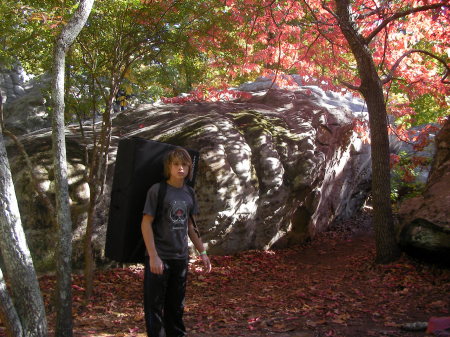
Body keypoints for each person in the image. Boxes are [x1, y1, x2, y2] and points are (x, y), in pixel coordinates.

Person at [141, 147, 211, 337]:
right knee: (154, 307)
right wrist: (154, 256)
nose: (181, 168)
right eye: (176, 164)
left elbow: (190, 226)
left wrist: (202, 253)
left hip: (180, 258)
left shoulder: (189, 192)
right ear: (169, 167)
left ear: (189, 168)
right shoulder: (158, 190)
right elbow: (145, 224)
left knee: (176, 306)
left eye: (184, 165)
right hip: (159, 258)